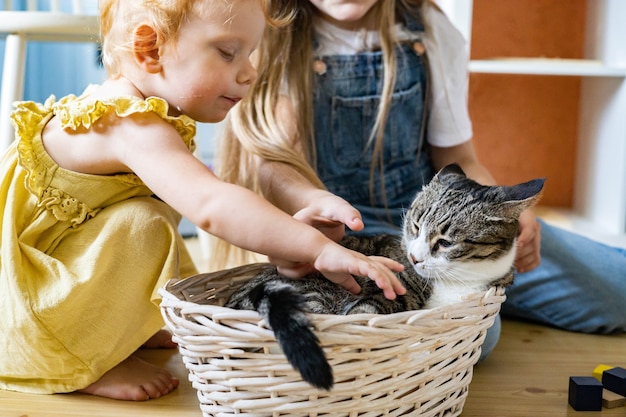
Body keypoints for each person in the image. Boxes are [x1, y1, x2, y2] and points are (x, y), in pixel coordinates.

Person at [0, 0, 407, 402]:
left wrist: (289, 244)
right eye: (228, 53)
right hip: (24, 311)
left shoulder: (146, 117)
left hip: (50, 272)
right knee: (144, 223)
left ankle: (118, 326)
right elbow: (213, 206)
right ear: (150, 50)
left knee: (152, 213)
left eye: (249, 54)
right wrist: (316, 248)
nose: (249, 73)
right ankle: (79, 358)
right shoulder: (127, 122)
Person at [214, 0, 626, 361]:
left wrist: (508, 217)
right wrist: (317, 202)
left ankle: (488, 283)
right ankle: (482, 295)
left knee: (617, 289)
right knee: (471, 338)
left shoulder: (426, 27)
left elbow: (460, 160)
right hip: (352, 237)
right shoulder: (272, 33)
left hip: (454, 229)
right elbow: (276, 165)